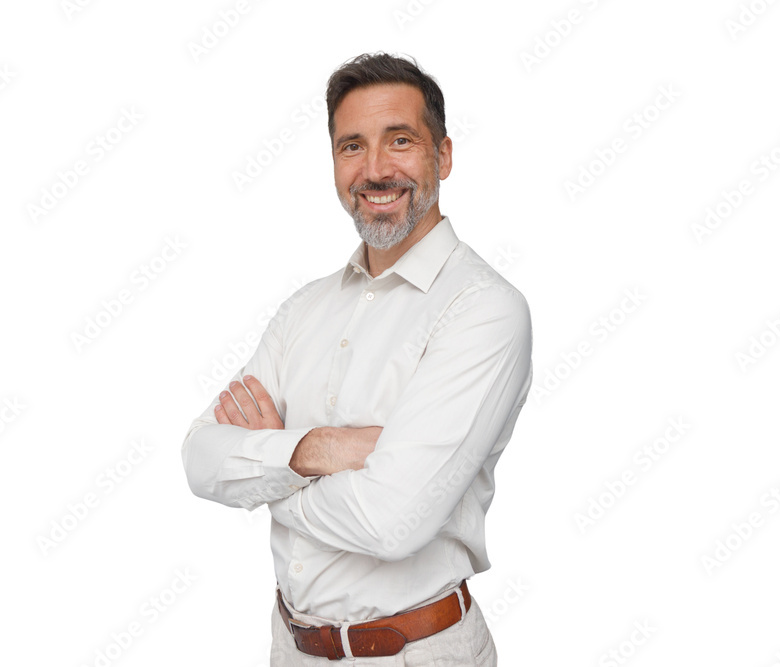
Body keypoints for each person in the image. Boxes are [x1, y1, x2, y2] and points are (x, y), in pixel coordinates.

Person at [182, 52, 532, 666]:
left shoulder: (484, 310)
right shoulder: (304, 309)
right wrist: (319, 449)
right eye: (352, 146)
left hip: (415, 653)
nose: (375, 170)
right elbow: (200, 458)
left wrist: (266, 473)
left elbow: (390, 523)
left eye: (400, 140)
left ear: (443, 156)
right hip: (290, 648)